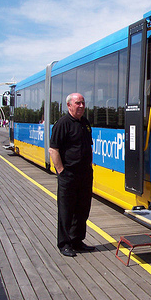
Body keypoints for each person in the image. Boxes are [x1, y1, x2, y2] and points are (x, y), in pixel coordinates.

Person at [49, 93, 95, 257]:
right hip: (68, 175)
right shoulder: (62, 123)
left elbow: (89, 145)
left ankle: (77, 241)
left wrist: (89, 166)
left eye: (83, 103)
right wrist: (61, 171)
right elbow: (53, 149)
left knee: (82, 209)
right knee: (66, 211)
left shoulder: (85, 123)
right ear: (69, 105)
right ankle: (65, 244)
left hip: (85, 174)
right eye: (78, 103)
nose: (82, 106)